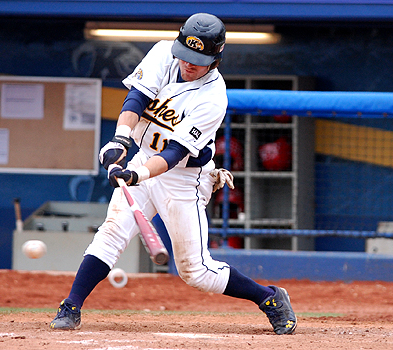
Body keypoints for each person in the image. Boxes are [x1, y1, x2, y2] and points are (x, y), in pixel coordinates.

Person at [49, 13, 296, 335]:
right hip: (144, 156)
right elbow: (136, 99)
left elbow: (174, 154)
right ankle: (71, 306)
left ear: (216, 58)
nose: (188, 65)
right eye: (185, 56)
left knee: (196, 272)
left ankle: (269, 298)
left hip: (183, 178)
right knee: (112, 232)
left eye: (198, 60)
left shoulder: (213, 97)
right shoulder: (165, 52)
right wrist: (120, 140)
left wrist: (136, 176)